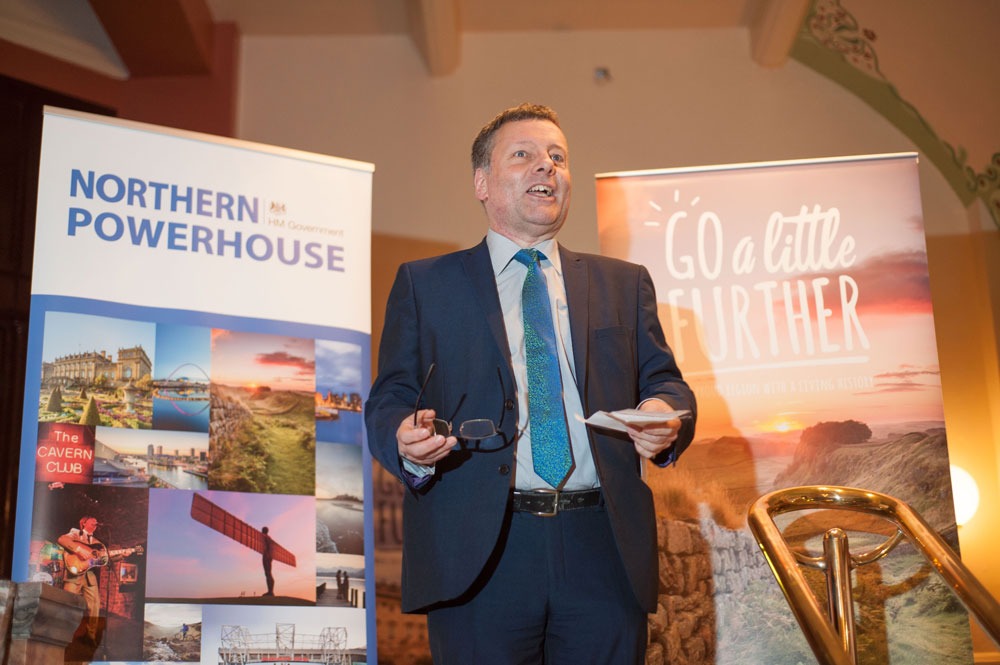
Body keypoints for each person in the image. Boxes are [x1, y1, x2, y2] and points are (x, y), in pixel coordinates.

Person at [365, 103, 697, 664]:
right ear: (482, 183)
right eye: (523, 155)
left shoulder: (624, 283)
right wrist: (404, 437)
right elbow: (390, 397)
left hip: (603, 547)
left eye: (558, 157)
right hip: (479, 553)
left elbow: (668, 384)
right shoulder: (426, 285)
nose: (547, 166)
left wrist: (663, 413)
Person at [57, 516, 104, 646]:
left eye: (96, 521)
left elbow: (104, 558)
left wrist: (123, 553)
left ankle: (90, 636)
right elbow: (62, 539)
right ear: (84, 523)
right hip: (74, 573)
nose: (96, 522)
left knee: (94, 606)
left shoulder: (96, 542)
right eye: (92, 520)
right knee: (68, 603)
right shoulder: (75, 533)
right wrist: (78, 549)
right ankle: (65, 635)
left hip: (90, 577)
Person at [261, 526, 274, 597]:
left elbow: (268, 547)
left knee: (268, 573)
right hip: (269, 556)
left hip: (266, 556)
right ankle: (270, 591)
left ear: (263, 531)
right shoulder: (269, 538)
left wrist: (267, 555)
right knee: (268, 573)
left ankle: (270, 592)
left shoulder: (264, 536)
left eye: (262, 530)